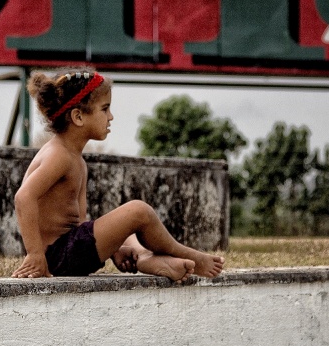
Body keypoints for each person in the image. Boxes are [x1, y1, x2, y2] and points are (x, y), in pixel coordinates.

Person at [12, 68, 225, 282]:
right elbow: (24, 197)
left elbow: (80, 225)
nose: (111, 117)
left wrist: (114, 249)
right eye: (105, 109)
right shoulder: (58, 155)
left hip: (70, 250)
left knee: (129, 233)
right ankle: (185, 254)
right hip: (58, 256)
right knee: (138, 212)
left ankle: (144, 258)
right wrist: (35, 254)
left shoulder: (75, 158)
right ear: (78, 116)